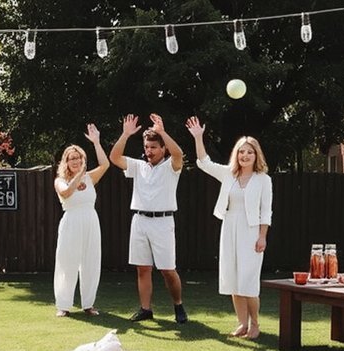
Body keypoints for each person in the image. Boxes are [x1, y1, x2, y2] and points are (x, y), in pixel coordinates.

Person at [185, 116, 272, 339]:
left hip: (251, 231)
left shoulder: (264, 180)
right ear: (236, 154)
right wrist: (198, 137)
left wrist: (262, 237)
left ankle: (255, 324)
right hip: (230, 227)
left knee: (248, 280)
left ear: (256, 155)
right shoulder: (228, 174)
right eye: (241, 152)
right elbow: (204, 162)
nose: (245, 156)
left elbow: (266, 211)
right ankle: (242, 323)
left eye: (249, 152)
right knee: (233, 277)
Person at [109, 113, 188, 323]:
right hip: (140, 221)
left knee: (168, 270)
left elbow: (179, 154)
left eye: (154, 147)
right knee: (142, 268)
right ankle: (146, 309)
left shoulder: (172, 167)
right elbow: (114, 158)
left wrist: (162, 132)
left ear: (163, 149)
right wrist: (125, 134)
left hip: (163, 222)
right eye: (147, 147)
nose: (149, 151)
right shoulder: (138, 166)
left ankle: (178, 306)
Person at [53, 124, 111, 317]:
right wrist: (79, 175)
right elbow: (67, 192)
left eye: (78, 157)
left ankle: (88, 304)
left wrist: (96, 142)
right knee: (67, 263)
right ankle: (64, 305)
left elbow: (105, 165)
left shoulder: (89, 177)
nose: (76, 161)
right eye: (72, 158)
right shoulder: (59, 180)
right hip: (71, 223)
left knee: (91, 262)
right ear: (66, 162)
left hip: (91, 222)